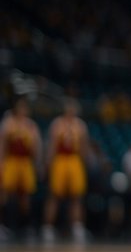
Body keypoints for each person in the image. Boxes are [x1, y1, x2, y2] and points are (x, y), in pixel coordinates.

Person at [43, 98, 92, 243]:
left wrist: (84, 163)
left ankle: (77, 227)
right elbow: (52, 145)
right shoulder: (57, 124)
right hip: (60, 160)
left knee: (77, 196)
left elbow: (83, 147)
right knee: (54, 195)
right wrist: (48, 163)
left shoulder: (80, 125)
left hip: (74, 160)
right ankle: (48, 227)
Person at [1, 98, 41, 240]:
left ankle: (25, 226)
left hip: (25, 162)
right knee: (5, 193)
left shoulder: (31, 126)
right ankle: (3, 225)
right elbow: (3, 145)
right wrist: (2, 162)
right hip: (11, 160)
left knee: (25, 195)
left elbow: (36, 148)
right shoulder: (8, 123)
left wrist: (37, 164)